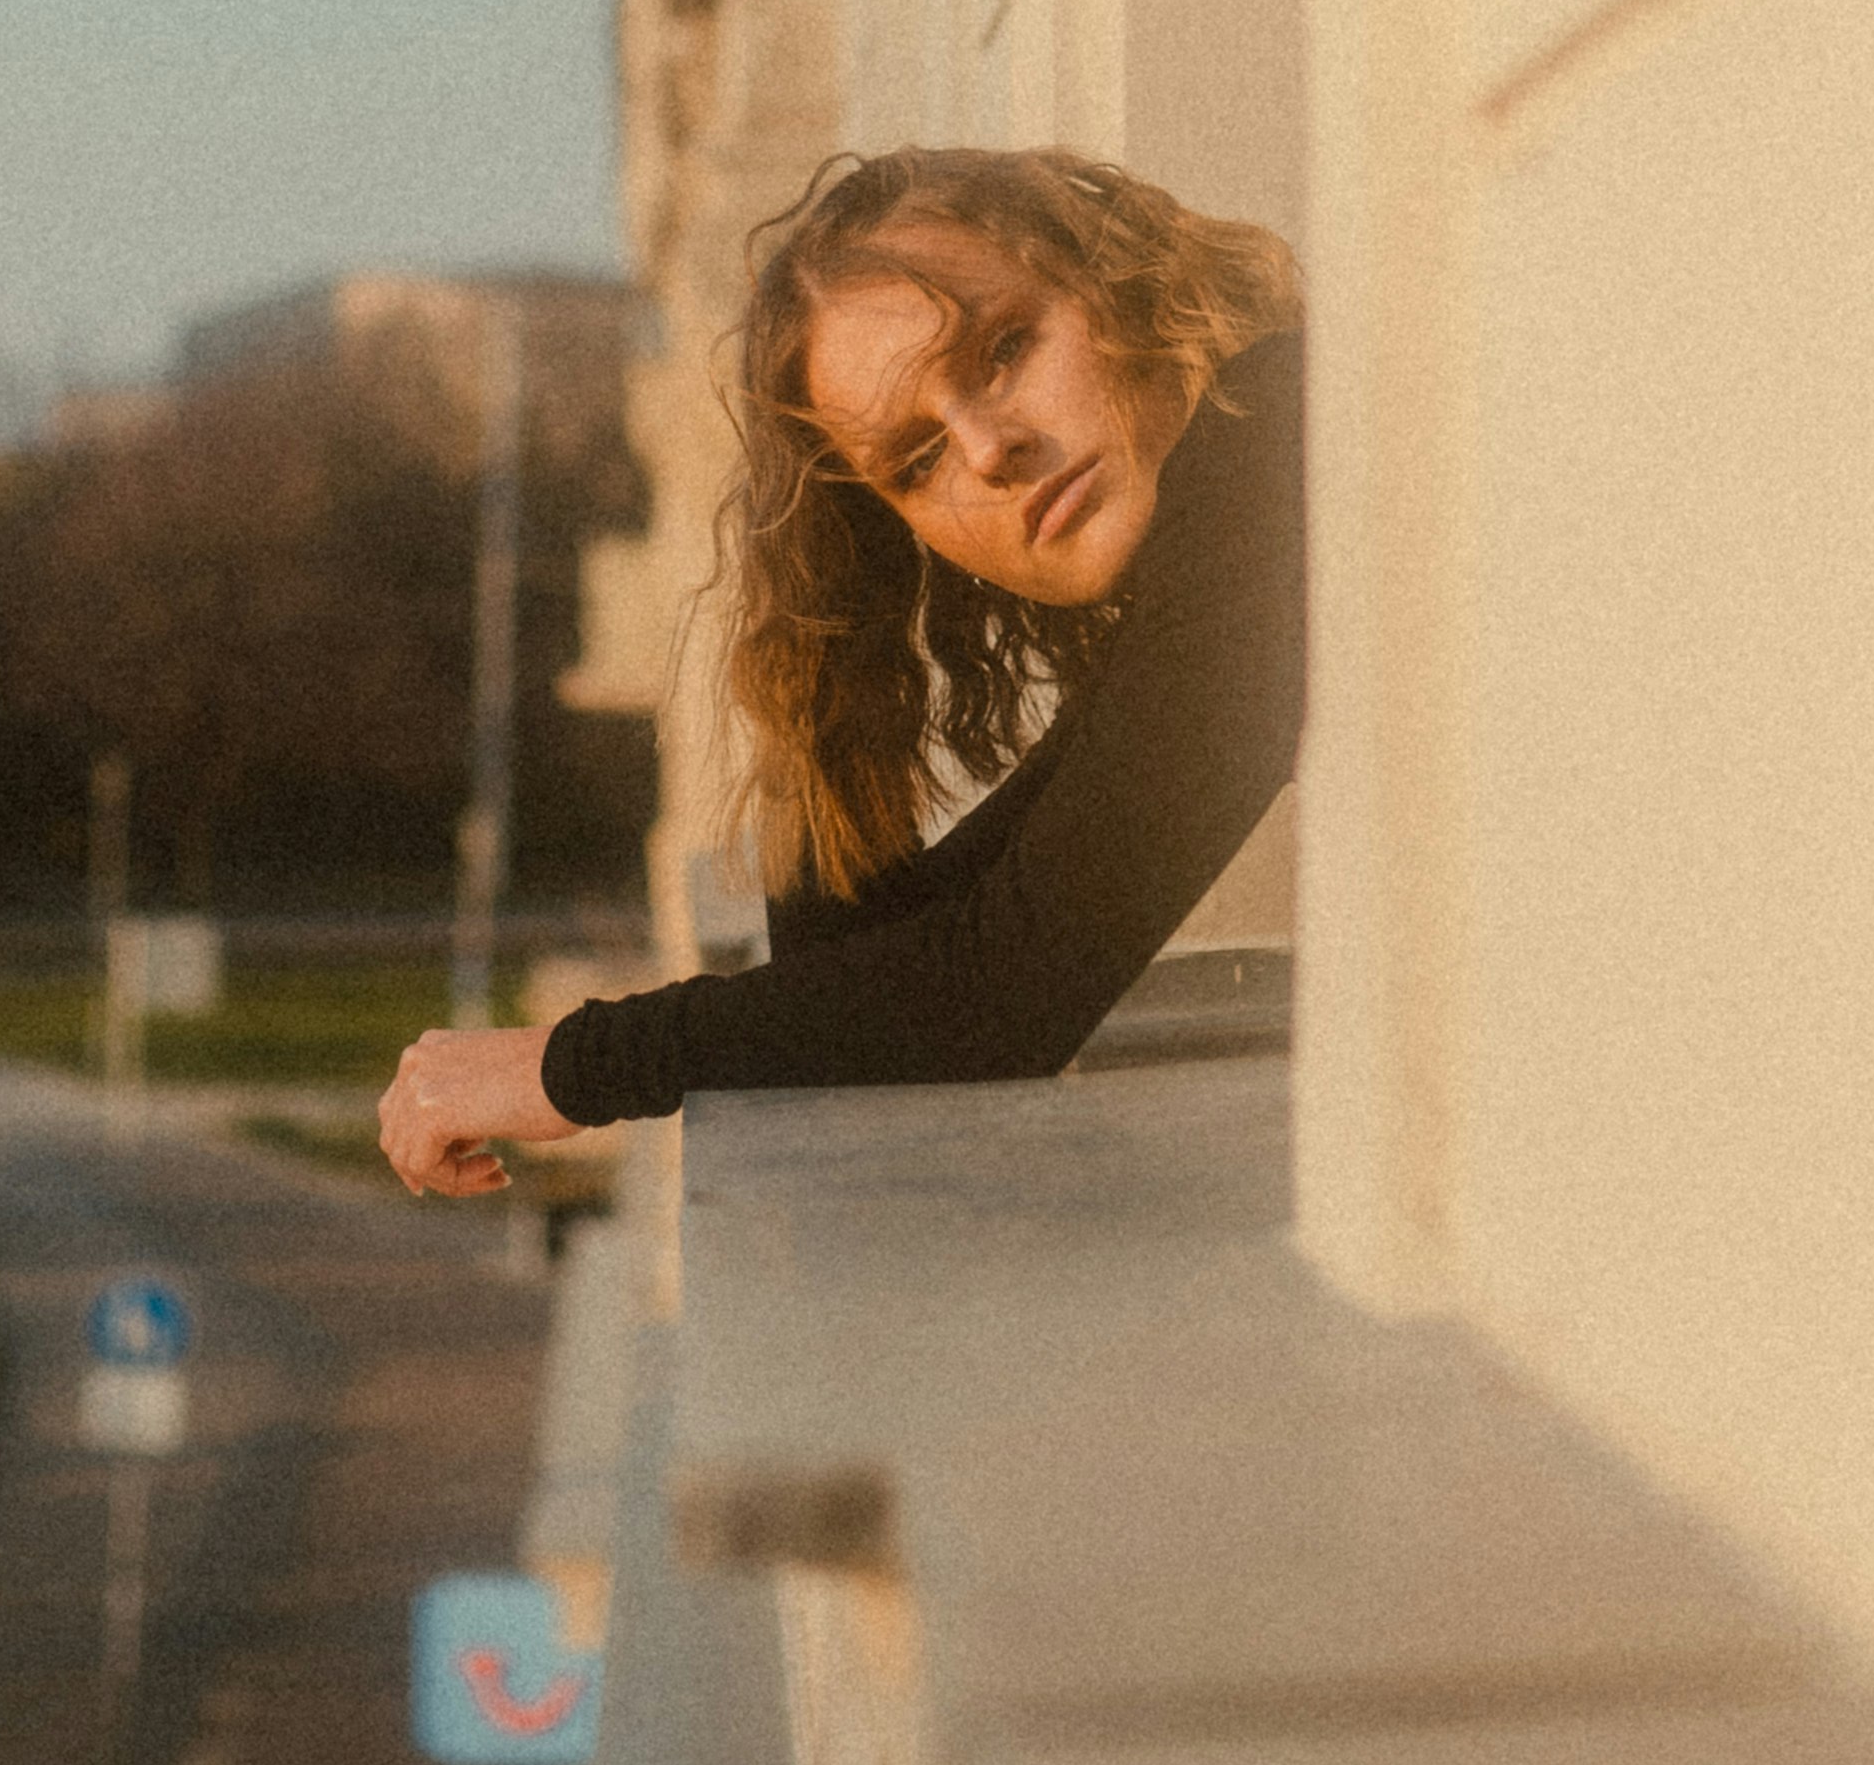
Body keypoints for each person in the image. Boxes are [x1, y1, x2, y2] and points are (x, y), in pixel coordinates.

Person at [376, 146, 1306, 1197]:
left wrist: (566, 1067)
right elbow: (870, 963)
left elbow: (993, 995)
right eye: (916, 462)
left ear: (1110, 282)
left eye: (1004, 350)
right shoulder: (1214, 527)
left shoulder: (1272, 461)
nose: (988, 449)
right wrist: (831, 637)